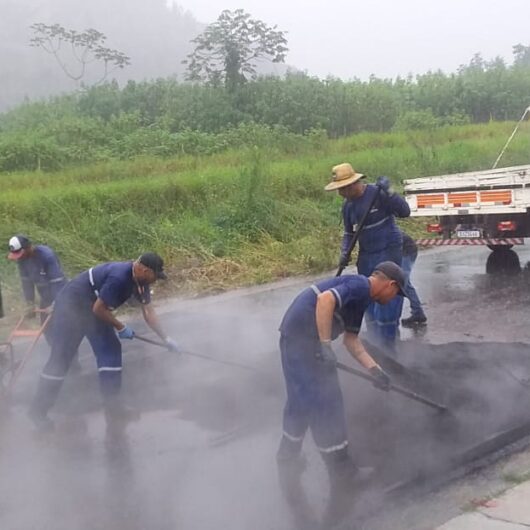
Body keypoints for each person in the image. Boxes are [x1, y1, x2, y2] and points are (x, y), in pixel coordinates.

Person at [276, 261, 407, 486]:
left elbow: (351, 340)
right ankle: (343, 471)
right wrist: (325, 346)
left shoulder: (361, 300)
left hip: (297, 340)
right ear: (391, 284)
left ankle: (287, 456)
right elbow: (324, 300)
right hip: (303, 343)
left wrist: (375, 370)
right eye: (396, 294)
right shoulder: (360, 286)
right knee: (327, 401)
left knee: (301, 400)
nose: (393, 299)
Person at [28, 252, 179, 431]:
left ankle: (113, 408)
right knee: (60, 359)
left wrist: (166, 338)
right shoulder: (120, 277)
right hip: (71, 309)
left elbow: (149, 312)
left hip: (93, 311)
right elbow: (99, 309)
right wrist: (121, 327)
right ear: (145, 270)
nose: (155, 280)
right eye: (155, 276)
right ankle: (37, 411)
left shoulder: (141, 282)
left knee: (110, 351)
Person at [325, 163, 410, 349]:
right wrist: (344, 252)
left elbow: (405, 211)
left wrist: (390, 192)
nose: (340, 193)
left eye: (342, 189)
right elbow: (349, 234)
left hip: (389, 252)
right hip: (367, 256)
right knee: (368, 302)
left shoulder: (377, 194)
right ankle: (375, 348)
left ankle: (390, 348)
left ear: (353, 184)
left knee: (388, 302)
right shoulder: (348, 207)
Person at [7, 235, 67, 337]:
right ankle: (56, 352)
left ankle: (69, 352)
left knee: (63, 329)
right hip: (45, 296)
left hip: (61, 295)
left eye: (20, 254)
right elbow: (26, 283)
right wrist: (30, 303)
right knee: (48, 331)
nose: (19, 257)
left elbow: (58, 282)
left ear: (28, 247)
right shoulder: (22, 260)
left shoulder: (46, 256)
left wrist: (55, 303)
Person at [400, 232, 427, 327]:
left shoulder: (382, 229)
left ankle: (417, 313)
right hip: (404, 249)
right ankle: (418, 312)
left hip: (407, 251)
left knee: (401, 283)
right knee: (405, 284)